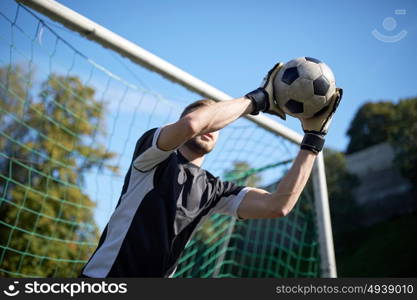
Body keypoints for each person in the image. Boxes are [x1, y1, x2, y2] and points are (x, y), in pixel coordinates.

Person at [79, 62, 343, 278]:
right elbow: (193, 124)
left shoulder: (215, 190)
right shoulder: (151, 157)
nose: (213, 128)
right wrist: (257, 99)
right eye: (211, 120)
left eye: (218, 125)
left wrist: (313, 140)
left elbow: (278, 205)